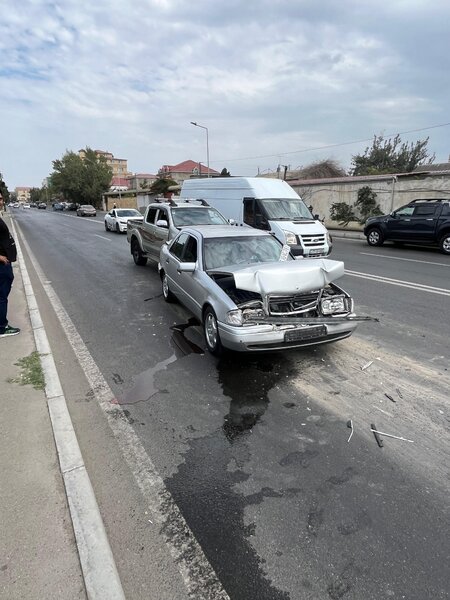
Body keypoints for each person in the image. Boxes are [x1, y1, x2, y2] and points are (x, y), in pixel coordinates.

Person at [0, 215, 20, 337]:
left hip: (4, 264)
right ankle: (2, 328)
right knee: (1, 297)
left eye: (1, 198)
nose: (0, 202)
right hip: (2, 265)